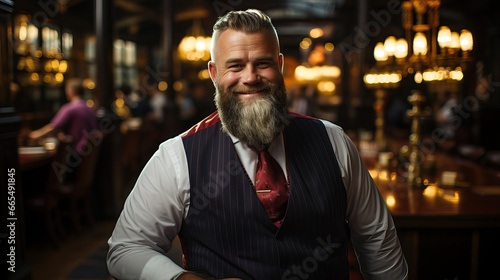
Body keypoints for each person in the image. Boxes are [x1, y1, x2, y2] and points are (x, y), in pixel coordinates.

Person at [107, 9, 408, 280]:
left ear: (278, 66)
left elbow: (375, 237)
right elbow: (127, 249)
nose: (250, 77)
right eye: (235, 66)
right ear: (214, 74)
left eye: (262, 63)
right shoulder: (176, 156)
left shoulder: (334, 140)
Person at [29, 77, 98, 156]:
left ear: (70, 91)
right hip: (90, 154)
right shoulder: (90, 109)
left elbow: (53, 127)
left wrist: (34, 135)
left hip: (75, 154)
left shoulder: (70, 108)